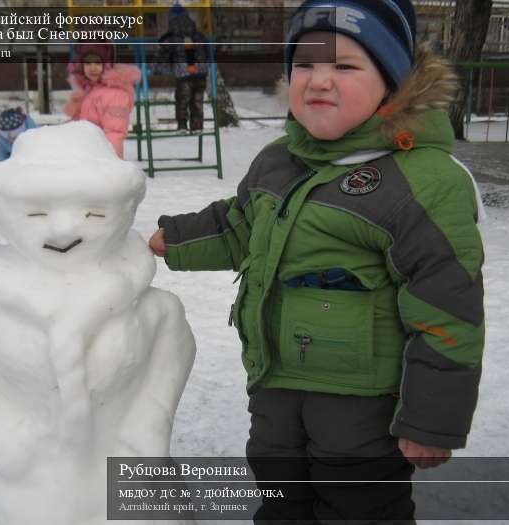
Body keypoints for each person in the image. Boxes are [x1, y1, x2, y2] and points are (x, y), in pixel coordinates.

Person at [149, 0, 486, 521]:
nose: (319, 81)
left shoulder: (423, 180)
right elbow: (238, 226)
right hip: (275, 387)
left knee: (361, 509)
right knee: (281, 502)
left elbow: (448, 308)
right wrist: (173, 239)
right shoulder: (278, 162)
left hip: (365, 407)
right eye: (305, 64)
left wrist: (432, 419)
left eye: (345, 66)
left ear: (394, 84)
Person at [64, 43, 141, 159]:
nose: (92, 68)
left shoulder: (115, 94)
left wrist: (110, 164)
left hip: (102, 161)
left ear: (107, 65)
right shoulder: (87, 92)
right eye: (88, 63)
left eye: (98, 63)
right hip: (85, 157)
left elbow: (114, 134)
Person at [156, 3, 209, 132]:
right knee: (197, 101)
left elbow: (163, 54)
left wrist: (156, 68)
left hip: (183, 74)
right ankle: (197, 126)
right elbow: (206, 50)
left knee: (182, 100)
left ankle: (182, 125)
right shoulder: (198, 35)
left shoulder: (171, 38)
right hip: (201, 73)